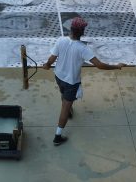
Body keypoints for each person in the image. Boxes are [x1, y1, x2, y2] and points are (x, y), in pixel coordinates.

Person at [43, 17, 126, 145]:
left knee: (63, 94)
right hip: (71, 82)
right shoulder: (83, 49)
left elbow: (52, 58)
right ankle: (57, 136)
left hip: (59, 76)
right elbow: (100, 65)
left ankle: (69, 110)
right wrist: (116, 66)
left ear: (70, 29)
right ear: (82, 32)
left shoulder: (61, 41)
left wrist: (47, 64)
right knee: (65, 108)